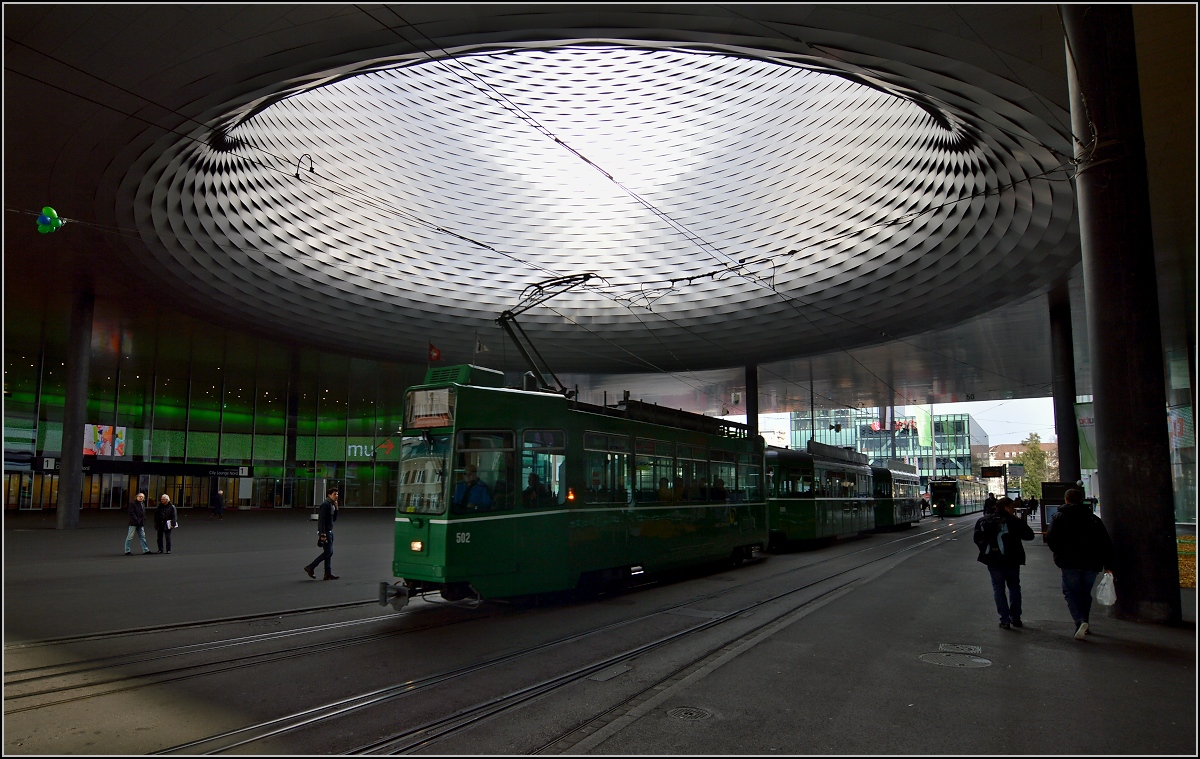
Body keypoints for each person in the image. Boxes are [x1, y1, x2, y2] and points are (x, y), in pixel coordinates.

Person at [1045, 488, 1115, 640]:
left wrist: (1059, 554)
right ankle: (1085, 622)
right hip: (1092, 562)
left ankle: (1080, 621)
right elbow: (1105, 542)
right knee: (1085, 593)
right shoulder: (1093, 518)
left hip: (1069, 562)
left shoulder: (1059, 517)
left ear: (1066, 500)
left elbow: (1051, 538)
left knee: (1071, 592)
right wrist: (1108, 565)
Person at [973, 496, 1035, 629]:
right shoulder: (1013, 521)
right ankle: (1016, 618)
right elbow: (1029, 535)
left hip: (993, 560)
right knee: (1014, 588)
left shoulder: (984, 520)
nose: (1013, 510)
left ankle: (1005, 620)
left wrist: (988, 551)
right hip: (1012, 560)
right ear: (1006, 508)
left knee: (998, 589)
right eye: (1012, 508)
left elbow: (977, 538)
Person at [305, 485, 340, 580]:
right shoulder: (325, 504)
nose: (336, 496)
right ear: (329, 495)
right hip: (326, 532)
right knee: (328, 552)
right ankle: (311, 567)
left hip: (330, 531)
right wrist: (322, 534)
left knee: (329, 553)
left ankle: (327, 573)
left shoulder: (331, 504)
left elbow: (334, 519)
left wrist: (336, 508)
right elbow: (321, 520)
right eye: (334, 494)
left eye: (337, 494)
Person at [124, 491, 152, 555]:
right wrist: (136, 520)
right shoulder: (132, 504)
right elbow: (131, 513)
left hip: (141, 523)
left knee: (143, 537)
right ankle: (127, 550)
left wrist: (144, 520)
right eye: (140, 496)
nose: (141, 498)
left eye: (142, 497)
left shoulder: (142, 504)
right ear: (136, 497)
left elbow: (143, 514)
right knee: (130, 537)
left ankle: (146, 550)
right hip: (134, 523)